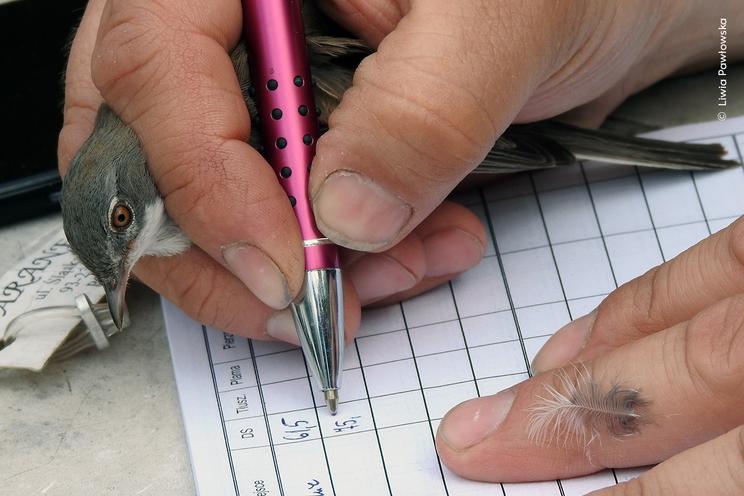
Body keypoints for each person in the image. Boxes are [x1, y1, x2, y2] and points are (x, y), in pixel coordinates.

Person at [59, 1, 744, 493]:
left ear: (131, 192)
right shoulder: (174, 158)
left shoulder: (199, 138)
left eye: (123, 226)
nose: (132, 266)